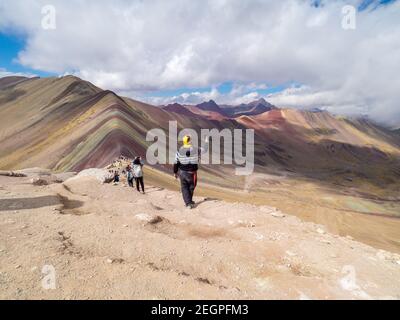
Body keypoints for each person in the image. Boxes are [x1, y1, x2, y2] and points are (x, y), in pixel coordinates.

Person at [173, 135, 209, 209]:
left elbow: (176, 162)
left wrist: (175, 172)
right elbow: (205, 150)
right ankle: (188, 203)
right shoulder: (196, 149)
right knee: (191, 187)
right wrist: (206, 141)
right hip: (192, 173)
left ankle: (188, 202)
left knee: (184, 187)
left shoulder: (179, 151)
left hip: (182, 172)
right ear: (189, 141)